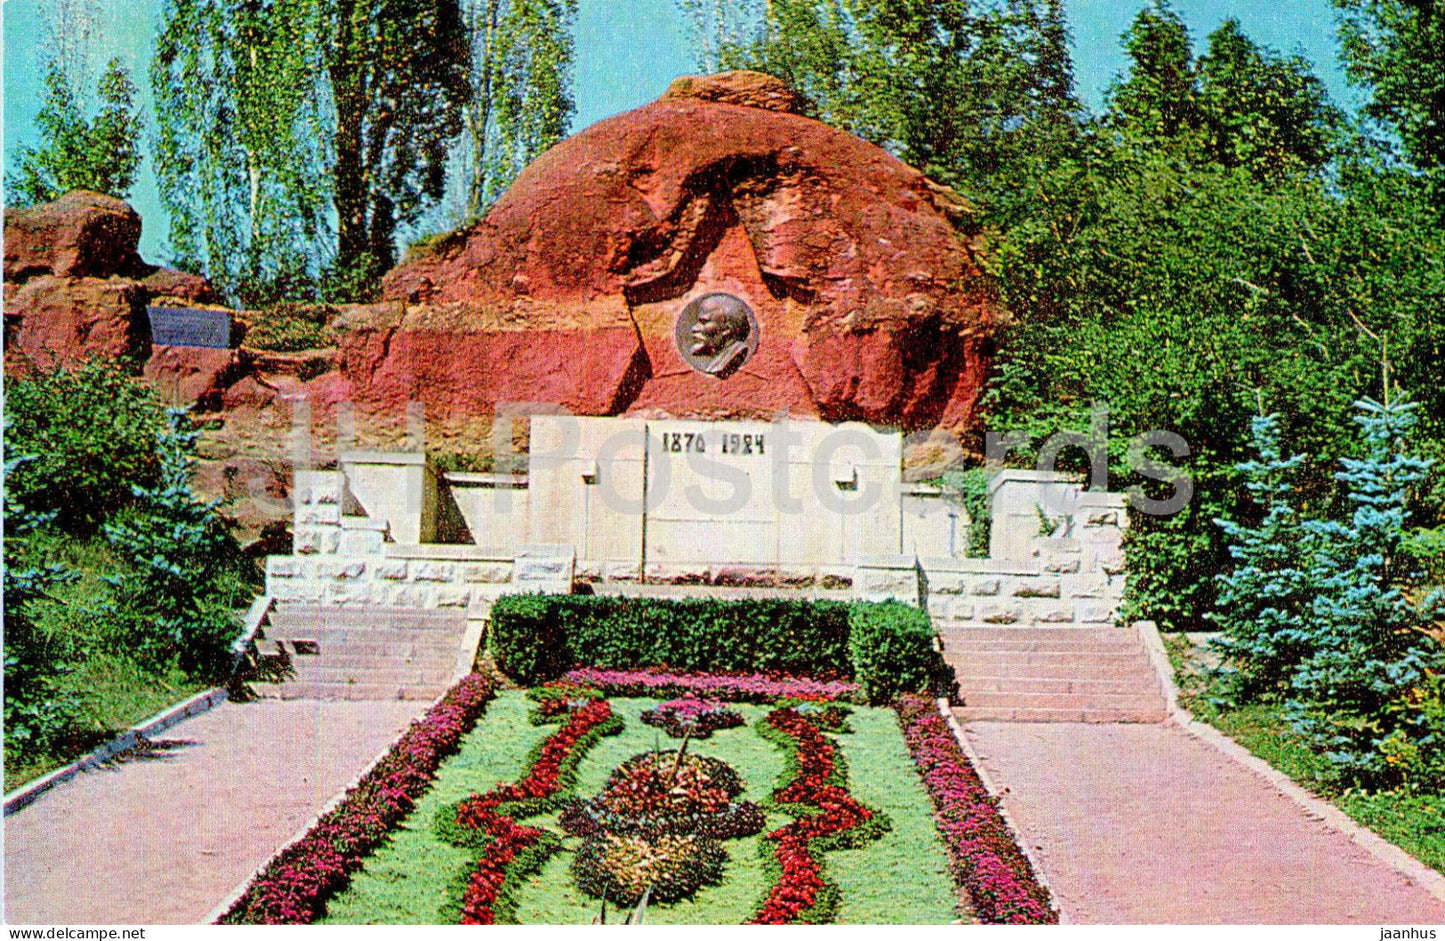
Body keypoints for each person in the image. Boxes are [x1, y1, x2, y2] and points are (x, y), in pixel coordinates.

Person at [688, 293, 753, 376]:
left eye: (704, 322)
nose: (694, 328)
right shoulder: (717, 361)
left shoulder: (730, 360)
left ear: (726, 330)